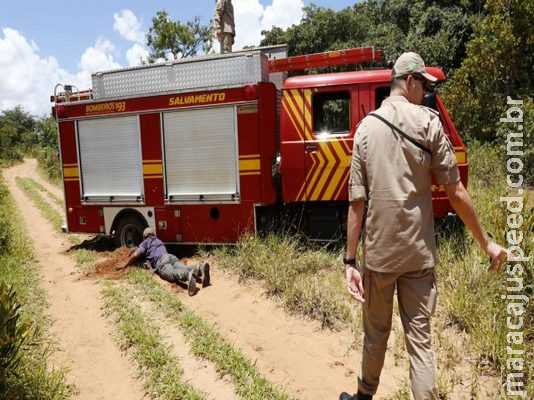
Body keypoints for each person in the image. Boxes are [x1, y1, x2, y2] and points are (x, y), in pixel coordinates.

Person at [339, 52, 508, 400]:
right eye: (425, 86)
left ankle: (362, 396)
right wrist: (486, 243)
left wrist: (350, 261)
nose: (426, 94)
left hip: (380, 258)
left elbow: (357, 203)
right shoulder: (429, 124)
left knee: (375, 335)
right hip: (418, 257)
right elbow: (456, 191)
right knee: (420, 343)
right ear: (410, 81)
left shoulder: (366, 129)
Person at [122, 228, 210, 296]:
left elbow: (135, 254)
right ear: (153, 234)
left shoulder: (145, 242)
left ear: (145, 237)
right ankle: (200, 267)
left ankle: (187, 275)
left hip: (161, 261)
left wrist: (125, 264)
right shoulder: (158, 241)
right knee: (183, 267)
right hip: (171, 257)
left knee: (170, 273)